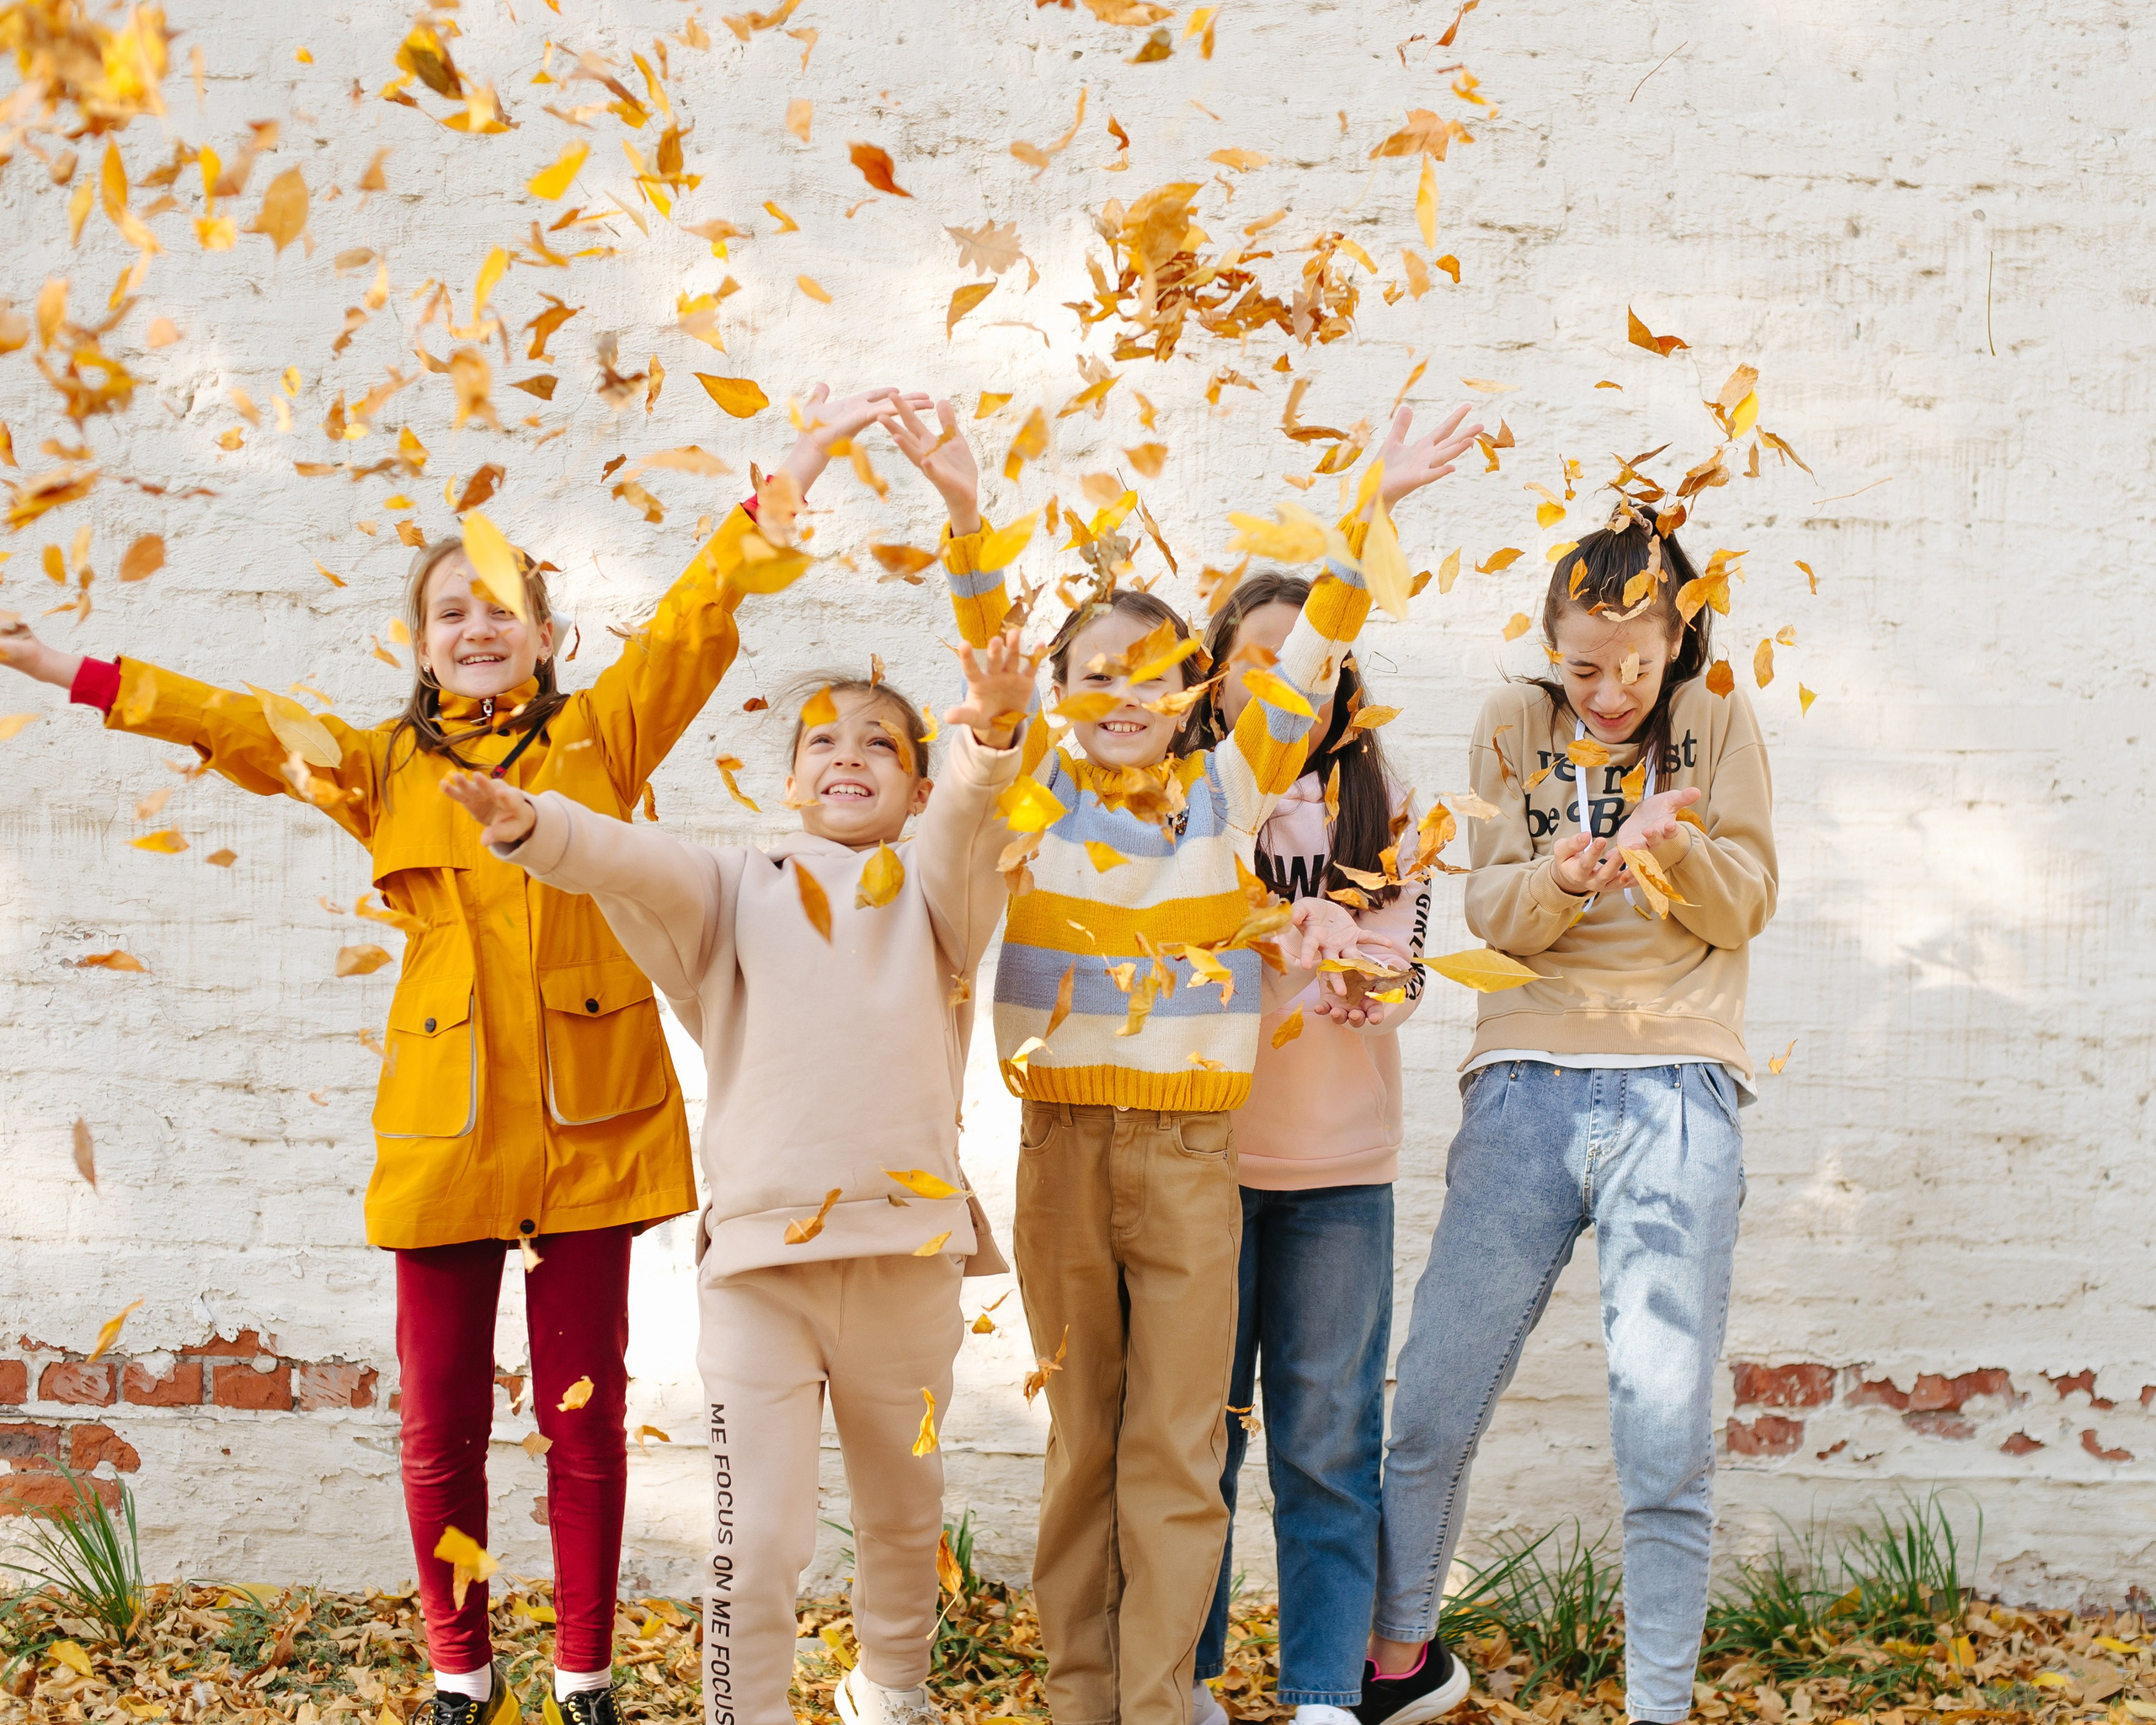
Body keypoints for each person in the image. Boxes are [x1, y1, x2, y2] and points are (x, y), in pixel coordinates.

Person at [0, 385, 923, 1725]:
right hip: (444, 1131)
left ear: (546, 638)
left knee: (583, 1421)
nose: (480, 625)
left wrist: (797, 466)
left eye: (504, 606)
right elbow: (232, 723)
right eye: (454, 610)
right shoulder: (378, 767)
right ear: (423, 645)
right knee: (437, 1430)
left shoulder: (603, 737)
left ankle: (585, 1671)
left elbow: (703, 614)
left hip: (593, 1121)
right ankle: (458, 1666)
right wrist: (57, 667)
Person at [879, 395, 1481, 1725]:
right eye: (1096, 672)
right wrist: (970, 512)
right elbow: (989, 666)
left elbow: (1319, 643)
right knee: (1085, 1437)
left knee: (1177, 1447)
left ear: (1195, 691)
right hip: (1066, 1152)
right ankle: (1081, 1697)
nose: (1124, 696)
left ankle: (1157, 1700)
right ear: (1065, 690)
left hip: (1193, 1159)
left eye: (1154, 674)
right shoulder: (1036, 783)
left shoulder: (1230, 785)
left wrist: (1373, 495)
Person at [442, 628, 1034, 1725]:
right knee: (755, 1539)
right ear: (793, 777)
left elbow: (970, 819)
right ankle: (738, 1711)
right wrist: (534, 828)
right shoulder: (733, 888)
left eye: (881, 744)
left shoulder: (939, 899)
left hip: (906, 1265)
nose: (847, 754)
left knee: (905, 1511)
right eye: (822, 741)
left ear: (913, 787)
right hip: (760, 1273)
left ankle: (891, 1689)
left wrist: (992, 736)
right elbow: (630, 860)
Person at [1364, 502, 1777, 1725]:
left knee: (1662, 1437)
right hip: (1523, 1086)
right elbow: (1488, 912)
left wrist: (1670, 842)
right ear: (1548, 646)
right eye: (1583, 667)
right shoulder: (1512, 727)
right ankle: (1398, 1671)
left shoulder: (1713, 720)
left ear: (1675, 648)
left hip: (1678, 1089)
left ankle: (1660, 1709)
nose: (1609, 694)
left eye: (1637, 668)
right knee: (1434, 1398)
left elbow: (1744, 903)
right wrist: (1568, 871)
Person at [1183, 573, 1432, 1725]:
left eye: (1312, 660)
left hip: (1339, 1175)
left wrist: (1362, 974)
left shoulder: (1386, 799)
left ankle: (1325, 1693)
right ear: (1215, 672)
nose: (1289, 680)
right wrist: (1284, 924)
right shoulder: (1187, 796)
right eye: (1261, 658)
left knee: (1330, 1442)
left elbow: (1403, 978)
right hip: (1200, 1166)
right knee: (1199, 1447)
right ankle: (1185, 1681)